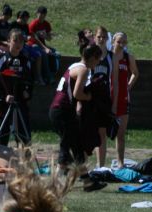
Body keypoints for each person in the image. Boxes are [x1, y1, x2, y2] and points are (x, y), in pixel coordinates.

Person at [49, 43, 100, 175]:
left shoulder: (74, 66)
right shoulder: (83, 70)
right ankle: (60, 172)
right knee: (69, 142)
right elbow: (77, 93)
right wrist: (88, 97)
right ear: (93, 57)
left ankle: (85, 180)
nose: (98, 62)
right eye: (98, 58)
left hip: (59, 110)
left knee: (73, 143)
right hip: (62, 110)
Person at [0, 28, 32, 145]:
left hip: (20, 102)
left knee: (24, 135)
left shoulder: (25, 60)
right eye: (15, 40)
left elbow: (30, 80)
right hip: (4, 103)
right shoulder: (1, 59)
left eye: (21, 41)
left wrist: (27, 92)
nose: (18, 44)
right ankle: (0, 157)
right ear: (8, 41)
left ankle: (24, 159)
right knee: (1, 134)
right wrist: (3, 96)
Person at [110, 32, 138, 168]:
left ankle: (120, 162)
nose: (121, 45)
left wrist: (128, 86)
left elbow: (135, 73)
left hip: (123, 98)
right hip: (108, 97)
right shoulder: (107, 57)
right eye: (119, 42)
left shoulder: (128, 58)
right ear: (113, 41)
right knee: (101, 132)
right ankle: (99, 163)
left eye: (124, 42)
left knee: (120, 133)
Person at [92, 25, 112, 168]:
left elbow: (114, 80)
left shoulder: (111, 57)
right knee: (88, 131)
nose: (101, 39)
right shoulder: (90, 54)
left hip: (104, 98)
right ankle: (83, 166)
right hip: (90, 97)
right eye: (99, 36)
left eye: (104, 37)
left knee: (102, 132)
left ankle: (101, 165)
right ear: (94, 37)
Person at [28, 6, 58, 85]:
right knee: (44, 53)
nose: (42, 18)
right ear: (37, 14)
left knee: (55, 53)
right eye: (40, 15)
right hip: (33, 44)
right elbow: (35, 39)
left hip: (42, 45)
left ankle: (53, 73)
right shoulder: (33, 24)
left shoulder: (46, 24)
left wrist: (46, 36)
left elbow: (49, 38)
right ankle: (48, 77)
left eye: (43, 16)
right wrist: (45, 48)